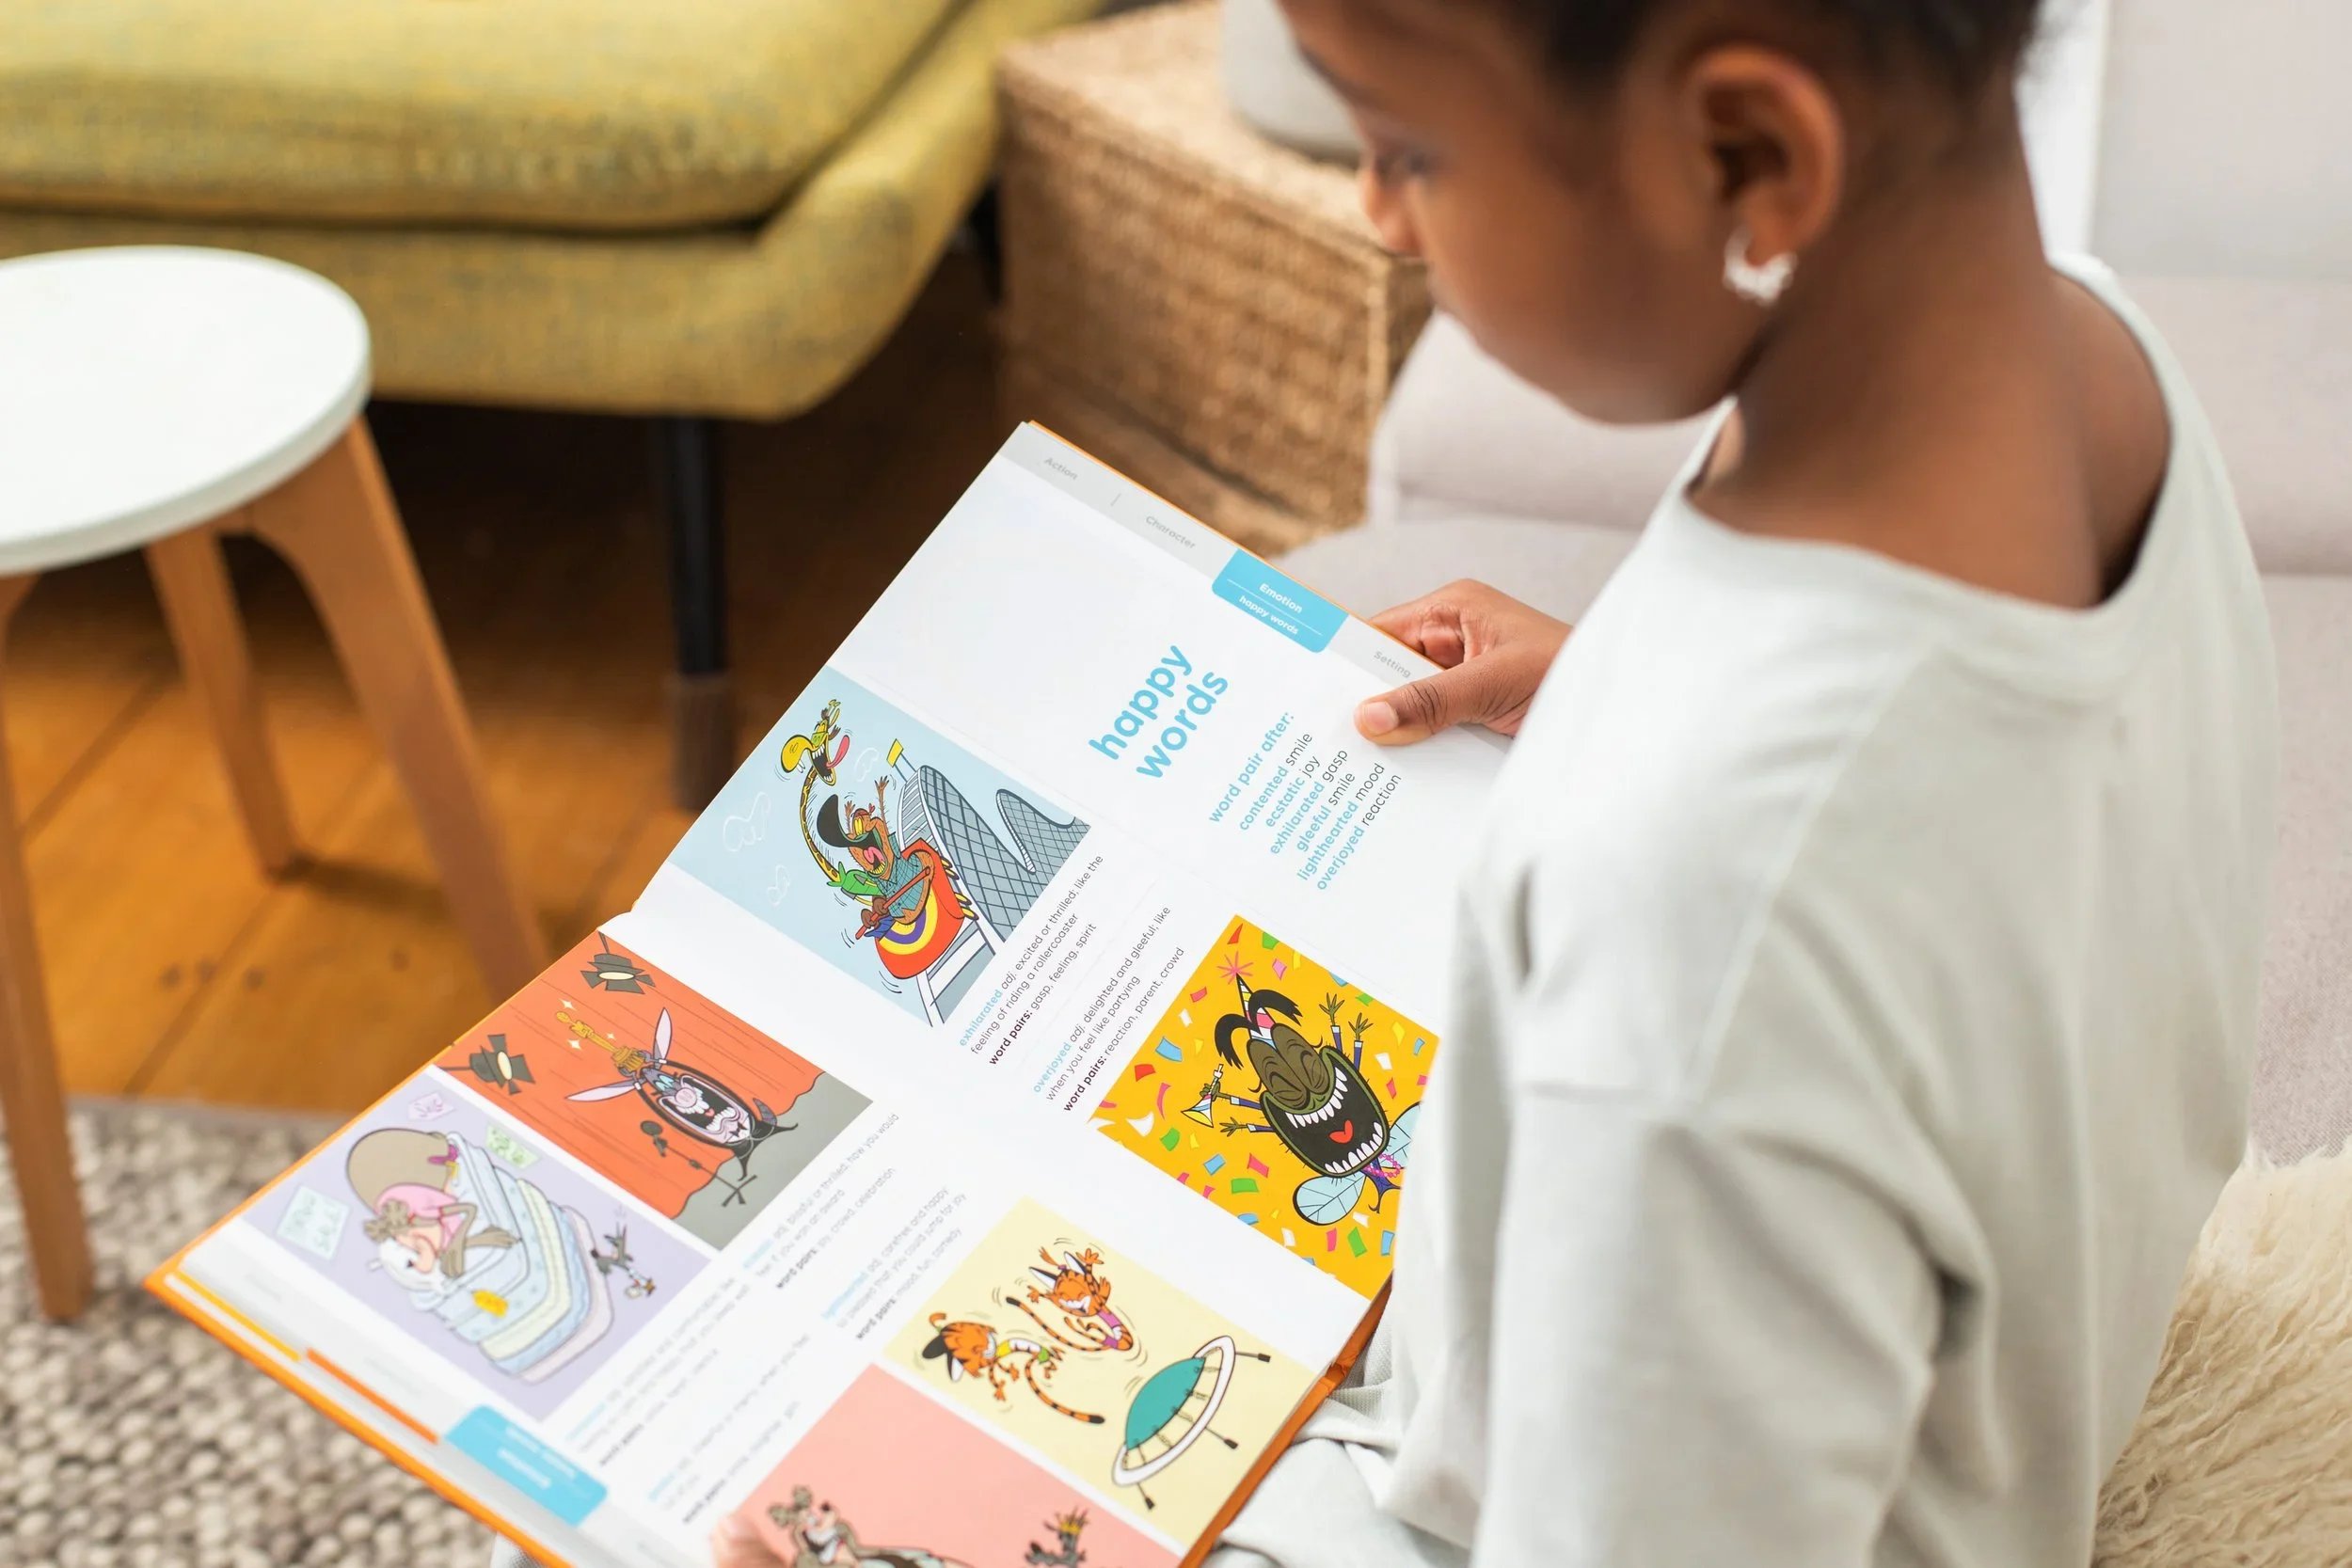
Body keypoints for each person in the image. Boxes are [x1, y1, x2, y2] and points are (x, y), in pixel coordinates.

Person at [650, 1, 2277, 1564]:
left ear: (1750, 150)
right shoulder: (2087, 360)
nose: (1381, 215)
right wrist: (1635, 678)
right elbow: (1967, 830)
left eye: (1407, 147)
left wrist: (1677, 760)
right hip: (1936, 1401)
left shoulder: (1691, 909)